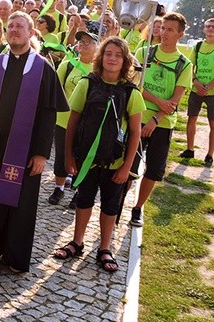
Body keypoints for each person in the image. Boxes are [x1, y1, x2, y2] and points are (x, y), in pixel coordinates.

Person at [0, 11, 68, 273]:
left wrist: (41, 153)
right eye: (10, 26)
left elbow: (47, 115)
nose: (14, 30)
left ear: (31, 33)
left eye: (20, 26)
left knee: (20, 204)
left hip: (25, 152)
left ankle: (12, 255)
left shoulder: (43, 69)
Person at [55, 36, 144, 273]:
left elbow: (135, 132)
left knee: (110, 205)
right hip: (86, 160)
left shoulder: (131, 93)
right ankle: (77, 241)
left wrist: (126, 167)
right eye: (108, 53)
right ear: (101, 57)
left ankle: (105, 248)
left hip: (115, 162)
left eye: (118, 55)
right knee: (84, 199)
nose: (112, 59)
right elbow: (72, 123)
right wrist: (68, 156)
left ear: (125, 61)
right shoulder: (88, 83)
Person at [129, 12, 192, 227]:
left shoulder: (184, 64)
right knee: (128, 165)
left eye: (170, 30)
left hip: (162, 124)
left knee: (154, 170)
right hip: (138, 117)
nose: (164, 33)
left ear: (180, 34)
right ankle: (116, 205)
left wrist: (156, 119)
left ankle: (138, 208)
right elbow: (136, 85)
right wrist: (157, 101)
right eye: (162, 28)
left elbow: (175, 99)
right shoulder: (144, 52)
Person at [48, 30, 97, 209]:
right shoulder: (67, 65)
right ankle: (59, 187)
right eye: (81, 42)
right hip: (63, 120)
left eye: (88, 42)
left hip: (87, 123)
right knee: (61, 154)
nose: (83, 45)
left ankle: (78, 191)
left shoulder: (100, 69)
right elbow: (55, 88)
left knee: (82, 157)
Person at [182, 18, 214, 166]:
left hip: (213, 92)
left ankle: (210, 155)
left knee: (213, 122)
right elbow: (190, 67)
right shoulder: (197, 46)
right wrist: (196, 83)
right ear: (204, 29)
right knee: (192, 119)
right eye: (208, 26)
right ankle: (190, 149)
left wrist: (208, 86)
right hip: (196, 90)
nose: (210, 28)